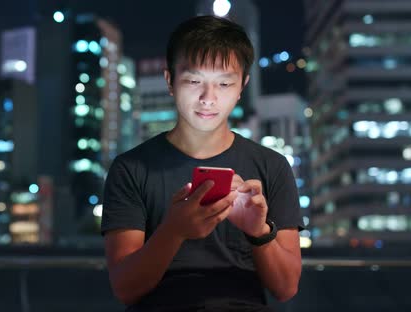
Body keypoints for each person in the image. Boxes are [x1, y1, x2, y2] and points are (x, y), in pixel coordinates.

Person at [101, 15, 304, 312]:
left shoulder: (271, 166)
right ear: (170, 80)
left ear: (241, 87)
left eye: (224, 83)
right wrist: (175, 230)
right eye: (194, 80)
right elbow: (125, 289)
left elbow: (286, 288)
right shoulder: (131, 169)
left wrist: (258, 232)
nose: (208, 98)